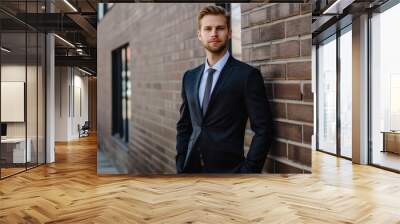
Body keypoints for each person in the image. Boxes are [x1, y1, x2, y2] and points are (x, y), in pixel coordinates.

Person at [176, 5, 273, 173]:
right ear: (200, 35)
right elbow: (185, 125)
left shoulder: (247, 76)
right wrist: (181, 161)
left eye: (220, 28)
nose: (214, 33)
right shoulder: (189, 77)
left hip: (230, 173)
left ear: (229, 33)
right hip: (190, 171)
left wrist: (248, 172)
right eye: (208, 29)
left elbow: (264, 129)